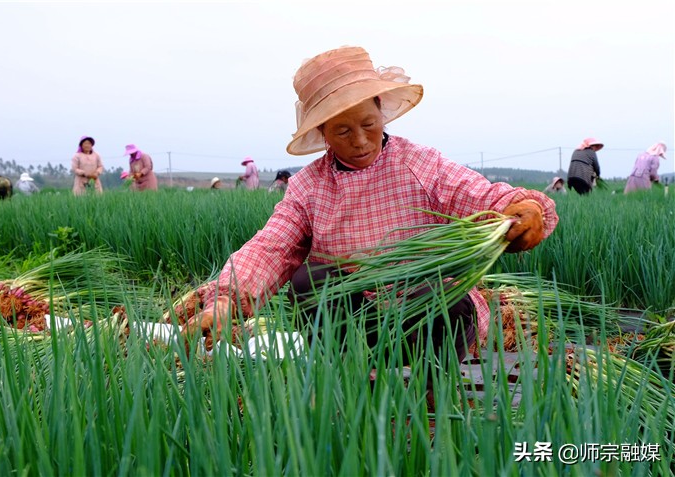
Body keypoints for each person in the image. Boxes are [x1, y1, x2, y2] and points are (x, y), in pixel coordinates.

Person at [177, 46, 559, 364]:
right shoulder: (309, 186)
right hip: (356, 321)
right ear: (323, 134)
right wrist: (228, 299)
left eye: (369, 124)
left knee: (442, 295)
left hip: (428, 315)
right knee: (309, 281)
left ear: (381, 111)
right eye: (342, 131)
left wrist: (521, 207)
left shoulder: (419, 163)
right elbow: (271, 247)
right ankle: (349, 381)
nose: (360, 140)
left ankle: (431, 395)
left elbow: (478, 194)